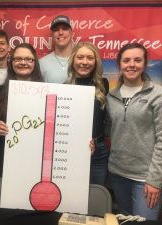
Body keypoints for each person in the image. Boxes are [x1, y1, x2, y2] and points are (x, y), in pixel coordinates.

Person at [105, 43, 162, 220]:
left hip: (145, 178)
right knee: (124, 220)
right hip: (117, 173)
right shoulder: (111, 96)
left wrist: (155, 179)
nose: (132, 64)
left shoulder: (159, 95)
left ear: (144, 64)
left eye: (137, 60)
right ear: (119, 64)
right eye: (126, 60)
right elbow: (107, 130)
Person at [0, 43, 44, 177]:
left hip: (35, 166)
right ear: (11, 62)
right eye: (17, 59)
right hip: (2, 166)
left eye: (28, 59)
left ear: (35, 63)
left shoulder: (48, 93)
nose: (23, 62)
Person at [65, 42, 109, 186]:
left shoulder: (104, 85)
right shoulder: (63, 87)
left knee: (96, 196)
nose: (85, 62)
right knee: (72, 194)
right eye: (80, 57)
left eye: (90, 58)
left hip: (99, 152)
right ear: (73, 61)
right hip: (71, 150)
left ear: (95, 62)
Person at [40, 15, 74, 83]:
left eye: (65, 29)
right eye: (56, 30)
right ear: (52, 35)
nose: (60, 33)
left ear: (72, 34)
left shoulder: (81, 61)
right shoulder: (41, 63)